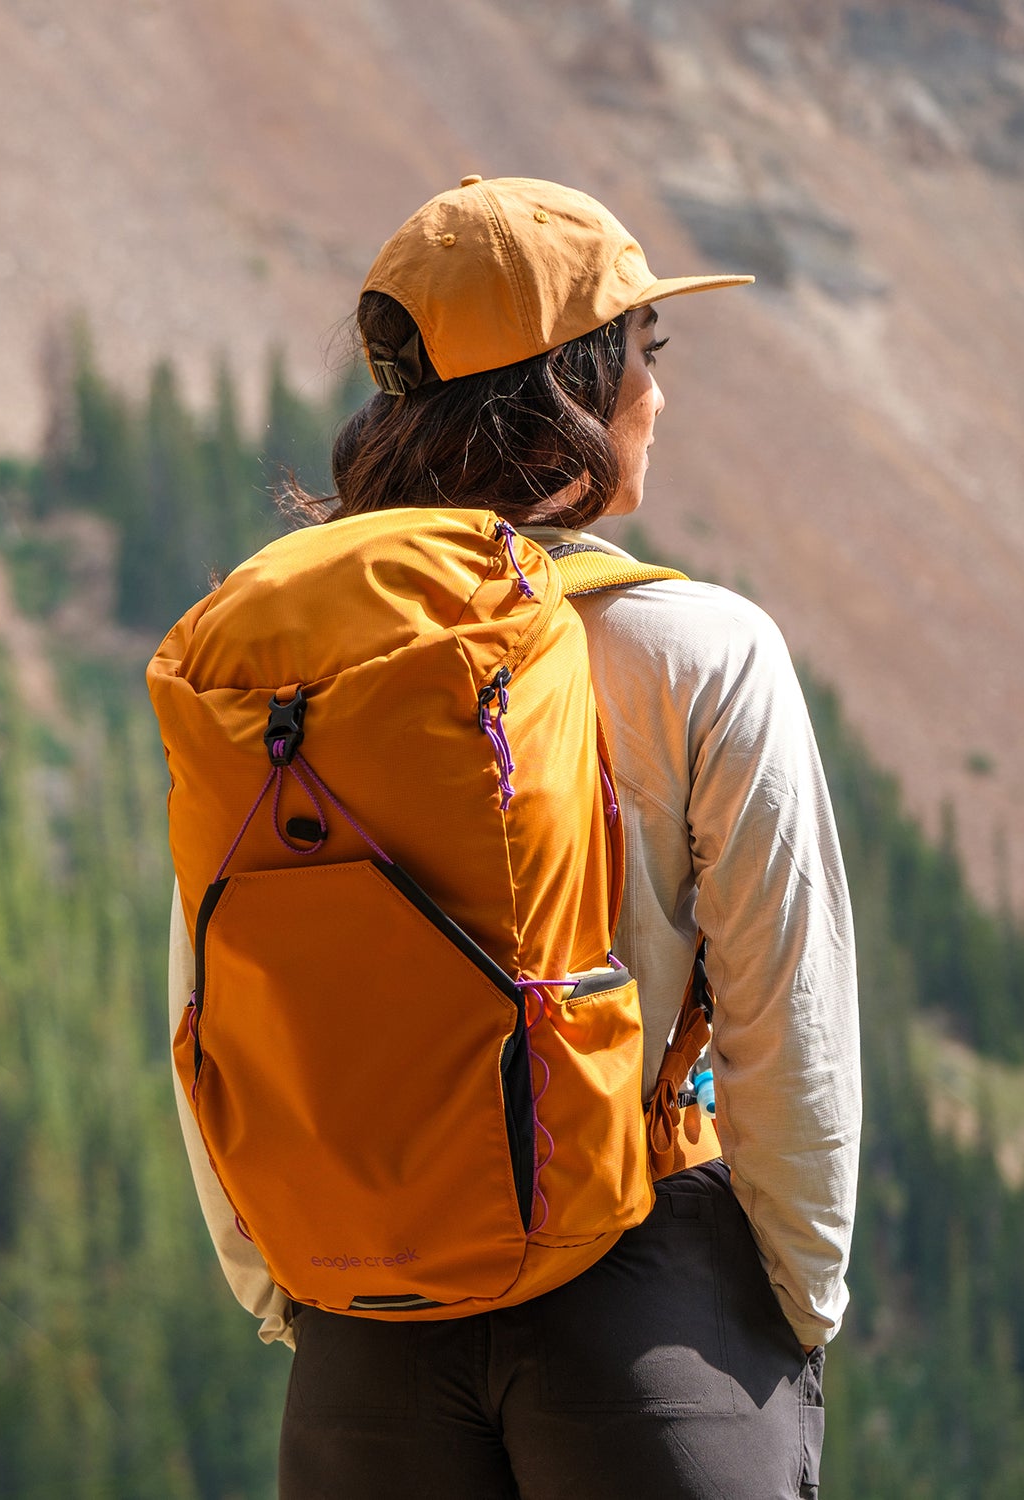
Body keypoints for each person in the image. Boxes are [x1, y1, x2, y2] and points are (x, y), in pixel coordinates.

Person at [164, 176, 861, 1499]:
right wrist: (793, 1302)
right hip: (647, 1293)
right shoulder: (701, 647)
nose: (662, 396)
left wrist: (286, 1294)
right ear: (582, 388)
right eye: (645, 358)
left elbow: (208, 985)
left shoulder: (292, 665)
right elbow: (788, 1009)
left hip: (365, 1329)